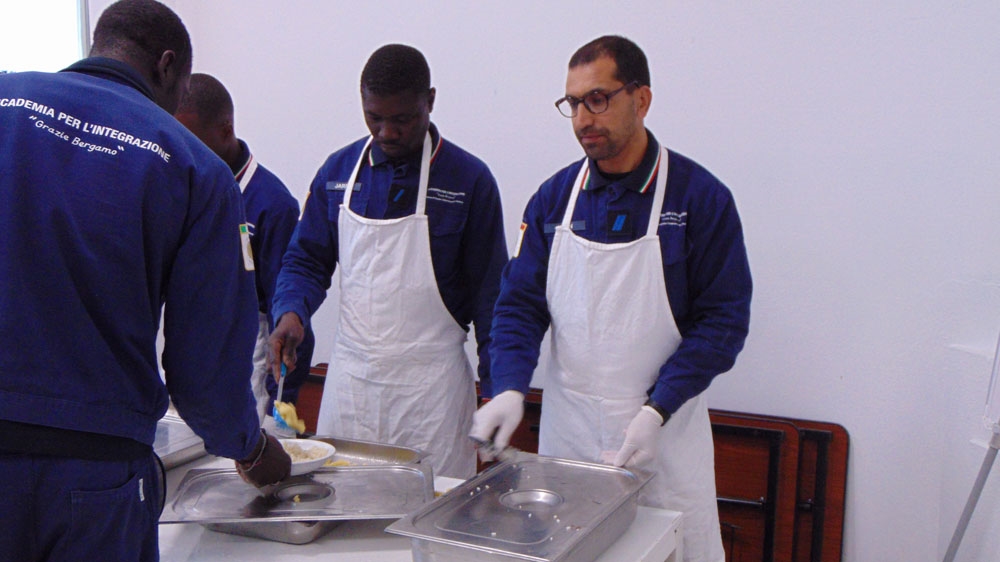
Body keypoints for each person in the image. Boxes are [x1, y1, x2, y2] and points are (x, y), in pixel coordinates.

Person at [0, 1, 290, 560]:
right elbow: (203, 369)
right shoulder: (195, 170)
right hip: (92, 476)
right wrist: (251, 449)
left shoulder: (6, 102)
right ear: (166, 67)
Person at [470, 35, 752, 562]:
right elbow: (519, 305)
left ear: (641, 100)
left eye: (597, 99)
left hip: (661, 444)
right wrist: (507, 386)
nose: (583, 119)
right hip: (568, 445)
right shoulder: (554, 199)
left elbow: (723, 324)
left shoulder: (701, 200)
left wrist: (657, 410)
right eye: (573, 104)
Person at [269, 44, 508, 479]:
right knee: (344, 520)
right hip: (351, 385)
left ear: (429, 102)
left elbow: (492, 300)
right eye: (373, 118)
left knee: (423, 521)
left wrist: (497, 392)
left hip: (430, 395)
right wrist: (291, 312)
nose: (386, 133)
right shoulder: (338, 173)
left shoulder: (469, 181)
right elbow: (306, 259)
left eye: (401, 119)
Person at [174, 73, 316, 430]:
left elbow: (288, 312)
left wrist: (281, 404)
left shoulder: (272, 204)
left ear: (225, 130)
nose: (182, 151)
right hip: (188, 362)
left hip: (248, 370)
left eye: (191, 140)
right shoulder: (180, 186)